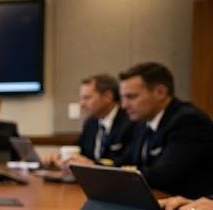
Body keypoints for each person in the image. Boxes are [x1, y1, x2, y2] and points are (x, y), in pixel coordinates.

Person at [66, 62, 213, 197]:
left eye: (131, 97)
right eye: (123, 98)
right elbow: (127, 161)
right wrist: (94, 168)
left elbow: (163, 176)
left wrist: (96, 169)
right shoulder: (144, 122)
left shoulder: (188, 122)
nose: (124, 106)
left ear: (160, 92)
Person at [43, 74, 135, 166]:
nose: (82, 104)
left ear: (108, 96)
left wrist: (93, 165)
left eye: (87, 98)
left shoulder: (131, 122)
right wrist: (61, 157)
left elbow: (127, 162)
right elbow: (80, 152)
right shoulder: (91, 123)